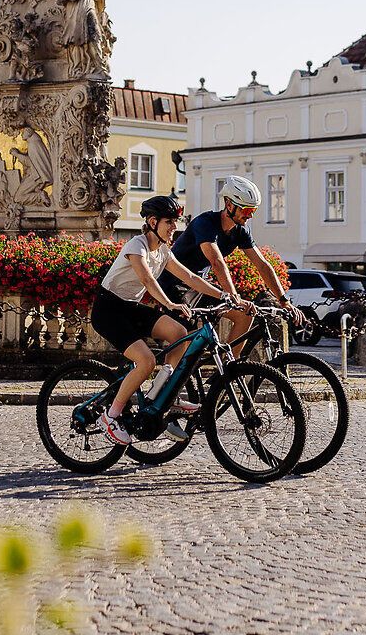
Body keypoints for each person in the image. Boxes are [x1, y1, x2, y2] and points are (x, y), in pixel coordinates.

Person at [90, 196, 228, 446]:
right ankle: (110, 416)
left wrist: (225, 295)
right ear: (153, 222)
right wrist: (171, 304)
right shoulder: (137, 245)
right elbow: (146, 279)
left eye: (176, 222)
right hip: (108, 310)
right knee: (146, 361)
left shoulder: (163, 251)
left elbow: (189, 277)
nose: (174, 227)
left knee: (178, 332)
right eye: (169, 222)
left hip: (130, 308)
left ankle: (163, 392)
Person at [168, 175, 290, 349]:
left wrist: (284, 301)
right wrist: (234, 297)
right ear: (229, 204)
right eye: (246, 211)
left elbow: (262, 265)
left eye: (253, 211)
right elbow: (216, 261)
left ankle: (231, 366)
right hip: (173, 284)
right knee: (184, 342)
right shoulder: (205, 223)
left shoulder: (241, 231)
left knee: (245, 315)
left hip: (199, 285)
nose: (250, 216)